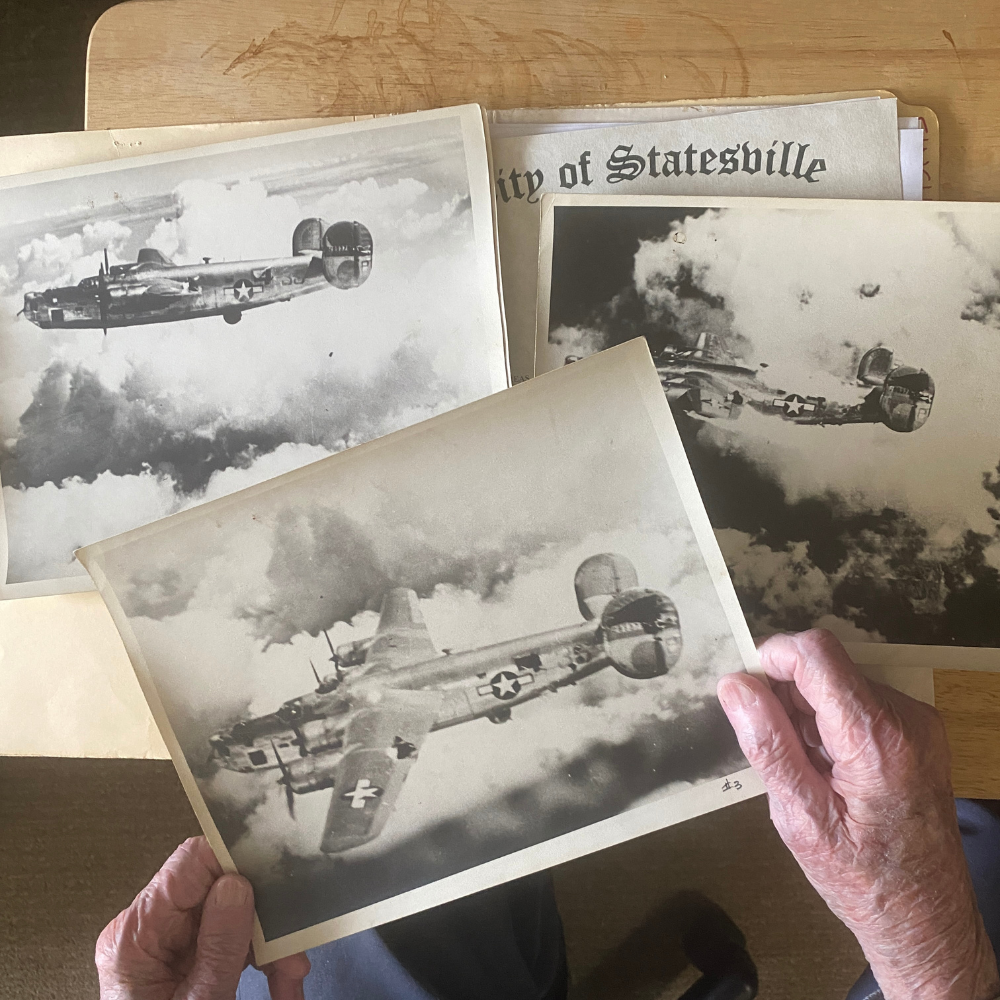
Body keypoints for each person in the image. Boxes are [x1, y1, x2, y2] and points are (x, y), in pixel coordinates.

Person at [95, 630, 1000, 1000]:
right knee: (985, 849)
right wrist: (931, 953)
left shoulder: (377, 713)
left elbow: (364, 804)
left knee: (370, 895)